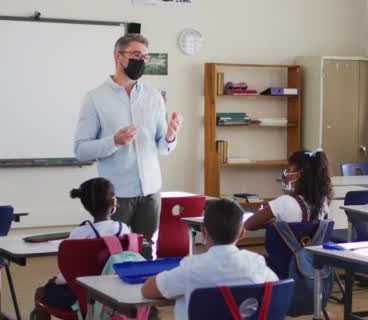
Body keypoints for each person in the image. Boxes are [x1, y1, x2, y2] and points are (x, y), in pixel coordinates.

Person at [73, 34, 183, 258]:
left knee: (145, 251)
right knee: (113, 255)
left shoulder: (153, 97)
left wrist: (171, 136)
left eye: (145, 56)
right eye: (135, 55)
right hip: (117, 195)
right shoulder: (95, 98)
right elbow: (81, 150)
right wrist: (114, 141)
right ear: (118, 57)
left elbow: (161, 147)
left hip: (151, 192)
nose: (141, 61)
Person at [141, 199, 278, 320]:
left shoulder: (192, 268)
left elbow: (147, 290)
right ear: (242, 233)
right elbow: (277, 290)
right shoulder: (257, 264)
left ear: (204, 231)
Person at [32, 178, 130, 320]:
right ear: (114, 201)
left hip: (81, 296)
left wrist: (55, 281)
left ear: (86, 205)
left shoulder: (79, 233)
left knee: (40, 292)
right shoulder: (124, 230)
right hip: (116, 294)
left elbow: (69, 272)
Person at [244, 149, 333, 230]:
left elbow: (248, 225)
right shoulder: (323, 201)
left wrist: (273, 225)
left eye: (289, 170)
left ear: (298, 176)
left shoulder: (284, 202)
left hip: (285, 248)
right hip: (310, 247)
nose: (286, 174)